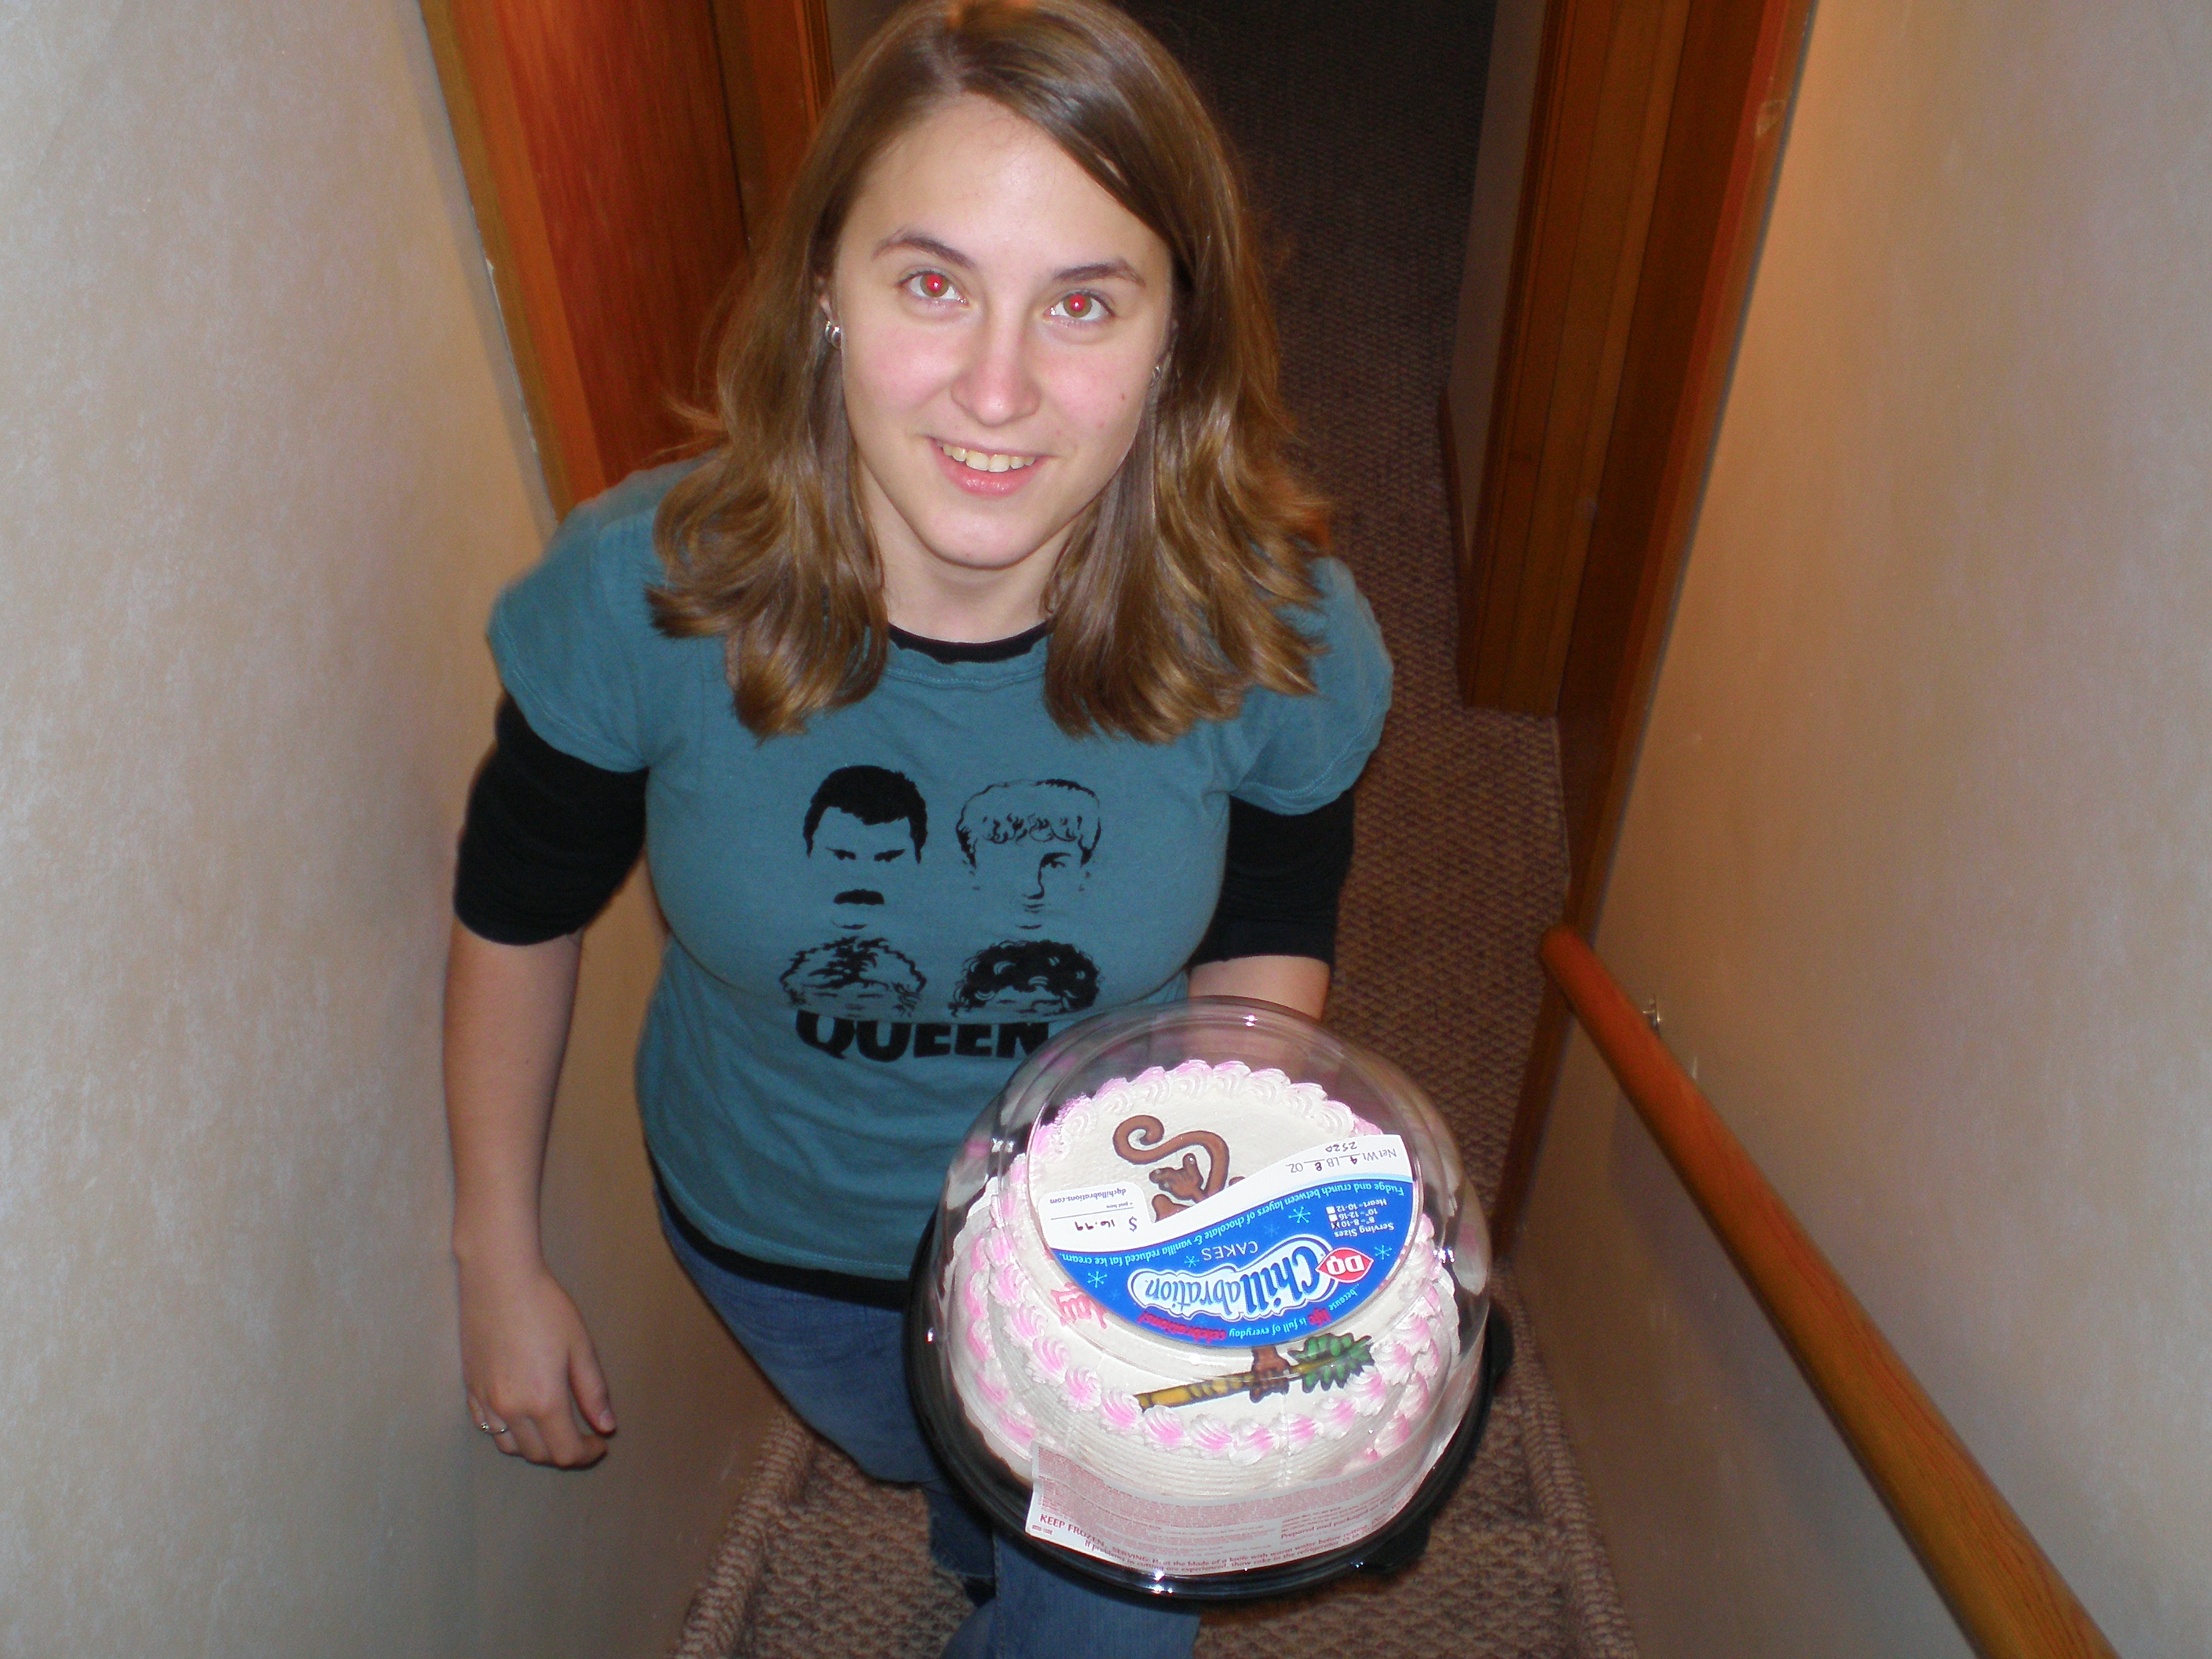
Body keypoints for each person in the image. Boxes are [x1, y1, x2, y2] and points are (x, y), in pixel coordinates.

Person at [442, 2, 1390, 1654]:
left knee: (1098, 1614)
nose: (996, 390)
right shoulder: (644, 595)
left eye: (1083, 302)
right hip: (786, 1240)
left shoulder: (1272, 627)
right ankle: (980, 1537)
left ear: (1175, 336)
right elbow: (516, 909)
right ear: (826, 286)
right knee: (946, 1478)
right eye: (933, 284)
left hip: (1106, 1267)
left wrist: (1215, 1222)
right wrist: (494, 1257)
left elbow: (1274, 909)